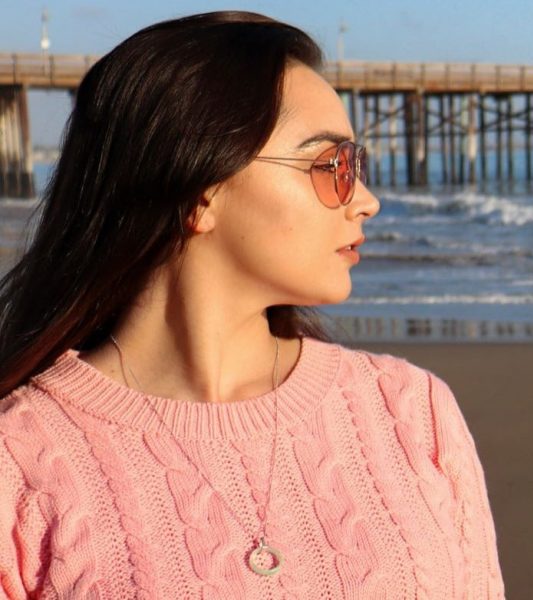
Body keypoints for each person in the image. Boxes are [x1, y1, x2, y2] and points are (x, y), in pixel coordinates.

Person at [0, 11, 504, 599]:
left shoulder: (412, 414)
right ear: (200, 191)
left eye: (356, 166)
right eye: (332, 167)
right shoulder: (22, 462)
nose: (365, 200)